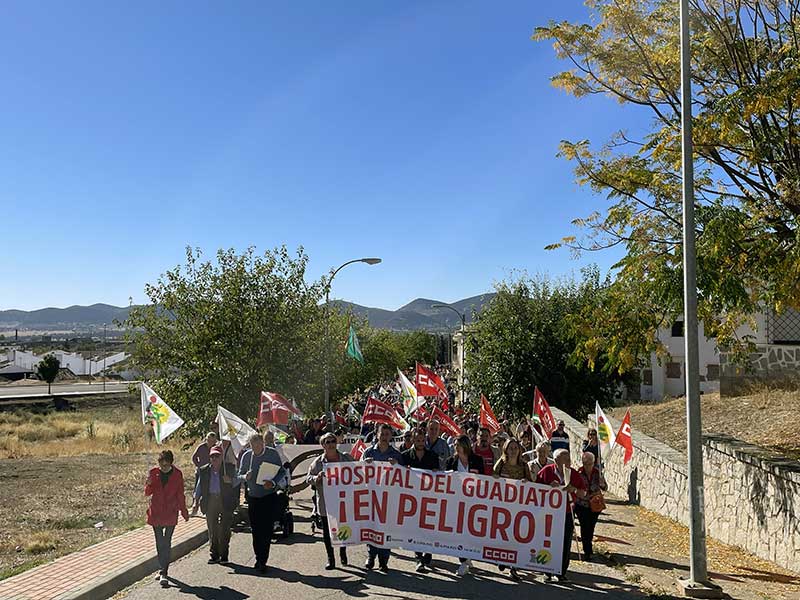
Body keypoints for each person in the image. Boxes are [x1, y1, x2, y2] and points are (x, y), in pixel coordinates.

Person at [536, 448, 587, 582]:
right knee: (547, 542)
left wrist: (574, 489)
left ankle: (561, 573)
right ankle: (546, 572)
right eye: (566, 459)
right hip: (549, 514)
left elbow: (583, 493)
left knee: (565, 544)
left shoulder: (573, 474)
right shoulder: (546, 472)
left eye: (569, 459)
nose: (570, 461)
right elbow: (535, 490)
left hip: (567, 514)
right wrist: (548, 487)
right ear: (557, 460)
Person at [238, 432, 286, 574]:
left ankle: (262, 560)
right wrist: (245, 476)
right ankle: (259, 557)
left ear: (263, 444)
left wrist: (272, 482)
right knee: (256, 530)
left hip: (268, 496)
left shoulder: (272, 454)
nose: (256, 448)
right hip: (253, 497)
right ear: (250, 445)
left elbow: (282, 472)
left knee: (266, 530)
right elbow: (238, 474)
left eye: (259, 444)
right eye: (253, 445)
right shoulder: (247, 456)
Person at [307, 433, 353, 570]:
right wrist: (316, 478)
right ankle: (330, 558)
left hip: (343, 501)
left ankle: (343, 551)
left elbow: (360, 469)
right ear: (323, 445)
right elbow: (308, 478)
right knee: (327, 532)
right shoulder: (318, 462)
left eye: (333, 441)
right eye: (328, 442)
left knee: (343, 529)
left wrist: (368, 464)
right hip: (325, 502)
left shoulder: (346, 458)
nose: (331, 444)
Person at [145, 450, 189, 587]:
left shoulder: (177, 474)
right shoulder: (153, 473)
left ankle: (164, 572)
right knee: (159, 542)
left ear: (171, 463)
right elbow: (147, 493)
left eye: (166, 465)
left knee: (167, 541)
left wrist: (184, 511)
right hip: (157, 512)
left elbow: (180, 494)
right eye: (161, 465)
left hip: (170, 512)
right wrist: (149, 484)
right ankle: (161, 568)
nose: (163, 467)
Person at [362, 424, 402, 572]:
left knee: (387, 528)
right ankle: (371, 556)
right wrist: (364, 465)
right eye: (382, 434)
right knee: (372, 526)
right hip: (372, 495)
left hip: (389, 497)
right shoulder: (368, 452)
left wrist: (397, 466)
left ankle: (384, 560)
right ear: (377, 435)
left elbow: (405, 476)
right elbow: (358, 471)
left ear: (391, 436)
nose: (385, 437)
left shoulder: (397, 455)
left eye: (387, 434)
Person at [399, 428, 439, 572]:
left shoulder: (432, 456)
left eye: (422, 440)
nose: (420, 443)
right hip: (412, 498)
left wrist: (436, 472)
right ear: (413, 440)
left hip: (429, 498)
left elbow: (439, 475)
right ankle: (418, 558)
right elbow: (399, 475)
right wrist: (404, 470)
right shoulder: (405, 456)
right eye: (417, 440)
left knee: (428, 527)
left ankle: (428, 552)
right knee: (415, 528)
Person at [492, 439, 533, 581]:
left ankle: (514, 568)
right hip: (503, 507)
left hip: (518, 508)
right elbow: (492, 478)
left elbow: (531, 485)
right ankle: (502, 558)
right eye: (511, 448)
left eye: (516, 447)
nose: (514, 450)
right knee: (503, 536)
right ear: (506, 450)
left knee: (516, 538)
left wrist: (526, 483)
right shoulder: (501, 463)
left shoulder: (524, 466)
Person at [445, 435, 484, 577]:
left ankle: (467, 556)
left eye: (458, 444)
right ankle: (463, 561)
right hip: (456, 502)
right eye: (454, 444)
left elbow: (484, 480)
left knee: (470, 531)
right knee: (459, 531)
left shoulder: (477, 460)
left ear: (465, 445)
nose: (455, 447)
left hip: (473, 503)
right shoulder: (451, 461)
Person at [195, 445, 238, 564]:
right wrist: (196, 502)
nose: (214, 459)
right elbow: (199, 487)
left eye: (217, 456)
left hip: (225, 500)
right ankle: (214, 555)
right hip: (210, 500)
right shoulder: (204, 470)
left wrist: (230, 480)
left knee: (224, 529)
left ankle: (224, 555)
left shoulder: (228, 468)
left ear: (222, 457)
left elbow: (239, 480)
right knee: (212, 529)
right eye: (212, 456)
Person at [574, 451, 607, 561]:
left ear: (593, 463)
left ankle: (588, 548)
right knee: (584, 526)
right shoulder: (578, 473)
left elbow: (605, 488)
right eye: (585, 463)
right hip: (581, 505)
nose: (587, 465)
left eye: (589, 463)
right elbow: (574, 488)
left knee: (591, 527)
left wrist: (602, 484)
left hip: (594, 505)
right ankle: (587, 551)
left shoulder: (598, 473)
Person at [191, 432, 218, 515]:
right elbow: (194, 457)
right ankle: (195, 507)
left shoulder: (216, 448)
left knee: (206, 490)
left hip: (210, 472)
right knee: (197, 489)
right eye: (209, 440)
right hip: (200, 471)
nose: (210, 443)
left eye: (212, 441)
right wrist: (198, 465)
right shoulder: (201, 447)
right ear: (206, 440)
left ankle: (207, 507)